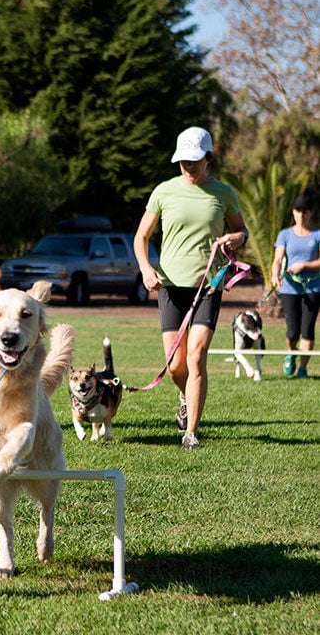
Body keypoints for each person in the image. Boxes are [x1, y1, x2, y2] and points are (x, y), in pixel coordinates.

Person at [134, 126, 249, 450]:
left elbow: (243, 232)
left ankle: (191, 433)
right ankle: (184, 395)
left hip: (209, 286)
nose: (189, 166)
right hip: (170, 286)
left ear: (208, 157)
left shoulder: (223, 194)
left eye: (195, 160)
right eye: (183, 161)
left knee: (197, 357)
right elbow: (141, 237)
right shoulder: (164, 192)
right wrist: (145, 268)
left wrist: (236, 238)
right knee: (175, 366)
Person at [271, 193, 320, 378]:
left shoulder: (317, 235)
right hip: (290, 288)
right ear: (293, 212)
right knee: (293, 331)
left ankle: (303, 369)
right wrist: (275, 276)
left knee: (308, 329)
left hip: (313, 288)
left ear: (311, 213)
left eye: (305, 211)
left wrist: (305, 265)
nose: (301, 215)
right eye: (298, 211)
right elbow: (277, 259)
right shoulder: (285, 234)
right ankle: (291, 354)